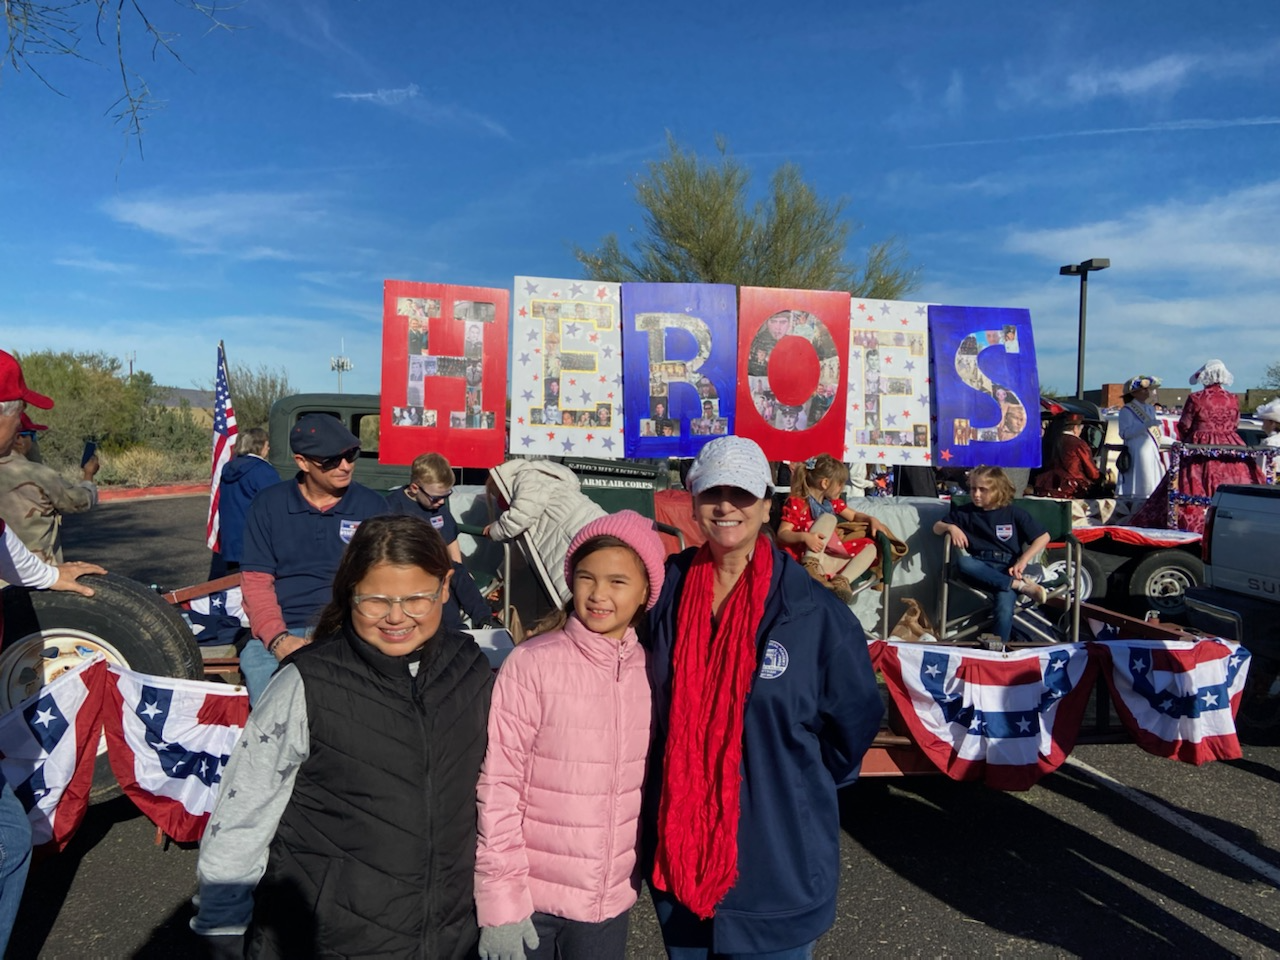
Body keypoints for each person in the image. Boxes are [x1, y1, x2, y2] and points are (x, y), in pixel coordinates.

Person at [191, 516, 493, 959]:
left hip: (451, 934)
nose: (396, 616)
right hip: (329, 938)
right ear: (349, 590)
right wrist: (222, 923)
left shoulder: (469, 668)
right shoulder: (306, 683)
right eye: (375, 600)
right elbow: (245, 808)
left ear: (445, 589)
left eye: (416, 599)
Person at [644, 436, 884, 959]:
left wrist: (790, 783)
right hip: (679, 864)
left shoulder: (815, 613)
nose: (726, 505)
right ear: (692, 499)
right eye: (712, 492)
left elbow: (855, 723)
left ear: (768, 505)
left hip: (776, 866)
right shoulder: (667, 592)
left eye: (743, 493)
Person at [475, 510, 666, 960]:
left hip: (607, 903)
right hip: (530, 902)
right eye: (586, 578)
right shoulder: (533, 664)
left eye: (618, 582)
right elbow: (499, 786)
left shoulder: (651, 670)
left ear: (645, 593)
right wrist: (501, 902)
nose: (599, 595)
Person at [238, 414, 388, 704]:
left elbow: (385, 579)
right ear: (302, 462)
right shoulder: (268, 505)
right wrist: (278, 639)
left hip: (350, 626)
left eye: (350, 455)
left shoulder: (373, 506)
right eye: (331, 460)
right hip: (284, 627)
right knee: (264, 678)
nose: (345, 466)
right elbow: (256, 584)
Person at [1129, 360, 1262, 532]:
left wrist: (1193, 437)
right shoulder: (1233, 398)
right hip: (1231, 445)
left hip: (1200, 446)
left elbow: (1184, 424)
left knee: (1190, 484)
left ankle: (1190, 524)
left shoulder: (1196, 398)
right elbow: (1235, 424)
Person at [933, 465, 1051, 647]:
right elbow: (936, 527)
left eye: (983, 490)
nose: (976, 494)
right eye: (973, 488)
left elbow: (1043, 537)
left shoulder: (1013, 513)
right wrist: (951, 527)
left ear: (998, 490)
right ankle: (1019, 586)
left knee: (1004, 608)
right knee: (964, 563)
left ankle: (997, 650)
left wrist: (1024, 560)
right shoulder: (966, 512)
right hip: (979, 566)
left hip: (1007, 567)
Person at [386, 452, 499, 629]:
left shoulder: (437, 509)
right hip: (407, 568)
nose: (440, 502)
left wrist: (458, 569)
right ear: (415, 488)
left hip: (439, 565)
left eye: (446, 496)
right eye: (436, 498)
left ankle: (484, 620)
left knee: (457, 574)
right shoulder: (392, 507)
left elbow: (450, 539)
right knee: (439, 589)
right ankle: (455, 630)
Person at [485, 459, 605, 604]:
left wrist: (495, 530)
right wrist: (501, 579)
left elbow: (522, 515)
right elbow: (521, 551)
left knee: (583, 595)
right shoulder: (549, 484)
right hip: (595, 529)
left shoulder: (528, 476)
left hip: (576, 534)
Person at [777, 454, 888, 603]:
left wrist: (871, 519)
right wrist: (804, 537)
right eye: (840, 483)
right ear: (825, 483)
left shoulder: (832, 503)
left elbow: (854, 516)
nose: (842, 487)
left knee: (871, 548)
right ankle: (811, 565)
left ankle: (842, 582)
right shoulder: (798, 502)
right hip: (801, 556)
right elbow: (782, 534)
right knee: (829, 518)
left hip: (827, 559)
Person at [0, 404, 99, 563]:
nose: (33, 443)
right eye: (32, 436)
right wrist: (88, 475)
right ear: (19, 438)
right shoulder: (37, 474)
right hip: (37, 573)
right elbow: (80, 501)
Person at [214, 426, 277, 574]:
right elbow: (275, 505)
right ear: (259, 446)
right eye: (267, 445)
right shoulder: (263, 471)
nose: (268, 449)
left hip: (231, 541)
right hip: (254, 545)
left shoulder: (228, 468)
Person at [1117, 374, 1164, 498]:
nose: (1146, 391)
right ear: (1133, 393)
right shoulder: (1126, 410)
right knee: (1141, 483)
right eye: (1143, 389)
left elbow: (1157, 434)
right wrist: (1145, 425)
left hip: (1151, 450)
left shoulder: (1150, 409)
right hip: (1137, 451)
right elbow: (1124, 433)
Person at [1032, 412, 1100, 499]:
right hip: (1072, 490)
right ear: (1076, 428)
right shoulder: (1078, 444)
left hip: (1045, 487)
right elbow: (1092, 473)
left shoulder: (1048, 441)